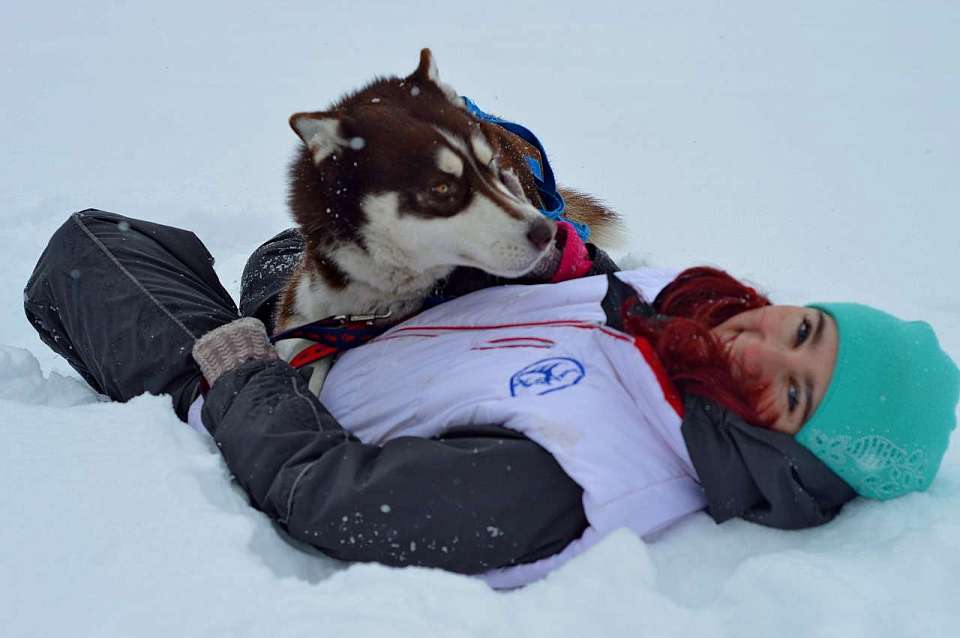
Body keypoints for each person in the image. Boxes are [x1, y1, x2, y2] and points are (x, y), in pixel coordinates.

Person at [24, 209, 959, 589]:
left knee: (91, 251)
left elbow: (332, 497)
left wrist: (243, 378)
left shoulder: (583, 480)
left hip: (268, 399)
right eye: (806, 331)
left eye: (792, 397)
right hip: (356, 339)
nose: (762, 346)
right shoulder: (681, 326)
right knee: (285, 249)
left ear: (788, 458)